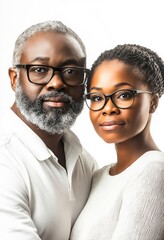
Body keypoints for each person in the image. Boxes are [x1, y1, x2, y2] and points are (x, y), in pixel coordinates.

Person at [0, 20, 97, 240]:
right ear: (14, 79)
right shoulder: (4, 159)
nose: (56, 83)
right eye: (40, 70)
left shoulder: (85, 162)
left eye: (71, 71)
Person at [70, 44, 164, 240]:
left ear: (153, 102)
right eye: (97, 97)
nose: (108, 108)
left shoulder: (154, 170)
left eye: (123, 95)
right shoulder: (99, 176)